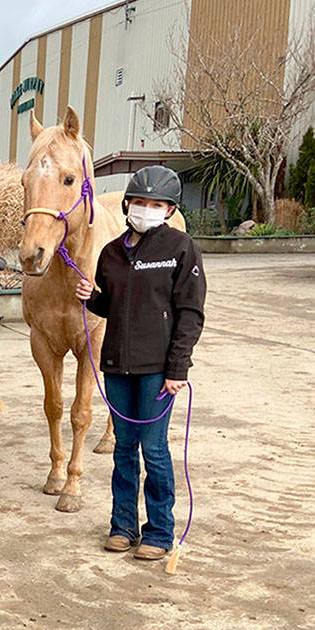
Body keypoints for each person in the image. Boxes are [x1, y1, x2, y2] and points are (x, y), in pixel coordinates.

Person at [74, 165, 205, 561]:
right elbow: (110, 306)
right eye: (141, 202)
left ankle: (160, 532)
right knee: (123, 449)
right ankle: (122, 526)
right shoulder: (112, 252)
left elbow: (190, 313)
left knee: (155, 450)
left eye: (157, 204)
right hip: (117, 365)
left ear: (169, 210)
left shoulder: (180, 249)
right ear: (128, 203)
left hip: (157, 371)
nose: (147, 209)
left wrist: (177, 369)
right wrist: (90, 297)